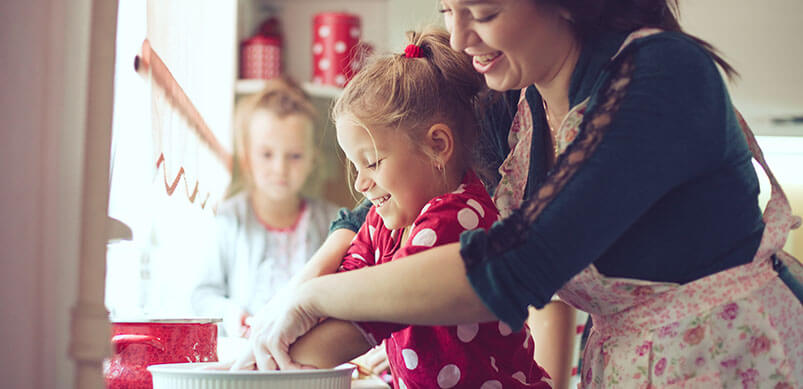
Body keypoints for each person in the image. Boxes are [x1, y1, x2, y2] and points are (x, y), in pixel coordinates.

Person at [244, 1, 803, 387]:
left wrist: (314, 300)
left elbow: (514, 266)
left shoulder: (660, 78)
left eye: (484, 14)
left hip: (731, 359)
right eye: (449, 13)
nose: (461, 39)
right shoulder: (514, 97)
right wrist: (295, 301)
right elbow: (383, 201)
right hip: (632, 365)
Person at [245, 28, 552, 389]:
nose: (360, 184)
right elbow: (348, 276)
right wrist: (282, 322)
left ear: (438, 145)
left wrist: (267, 356)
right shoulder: (384, 218)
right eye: (356, 167)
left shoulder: (456, 218)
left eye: (372, 163)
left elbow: (370, 315)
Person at [191, 77, 339, 337]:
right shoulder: (230, 218)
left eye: (294, 156)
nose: (279, 169)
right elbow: (203, 294)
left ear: (312, 160)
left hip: (310, 357)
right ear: (247, 158)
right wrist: (232, 315)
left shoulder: (333, 223)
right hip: (245, 355)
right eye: (267, 154)